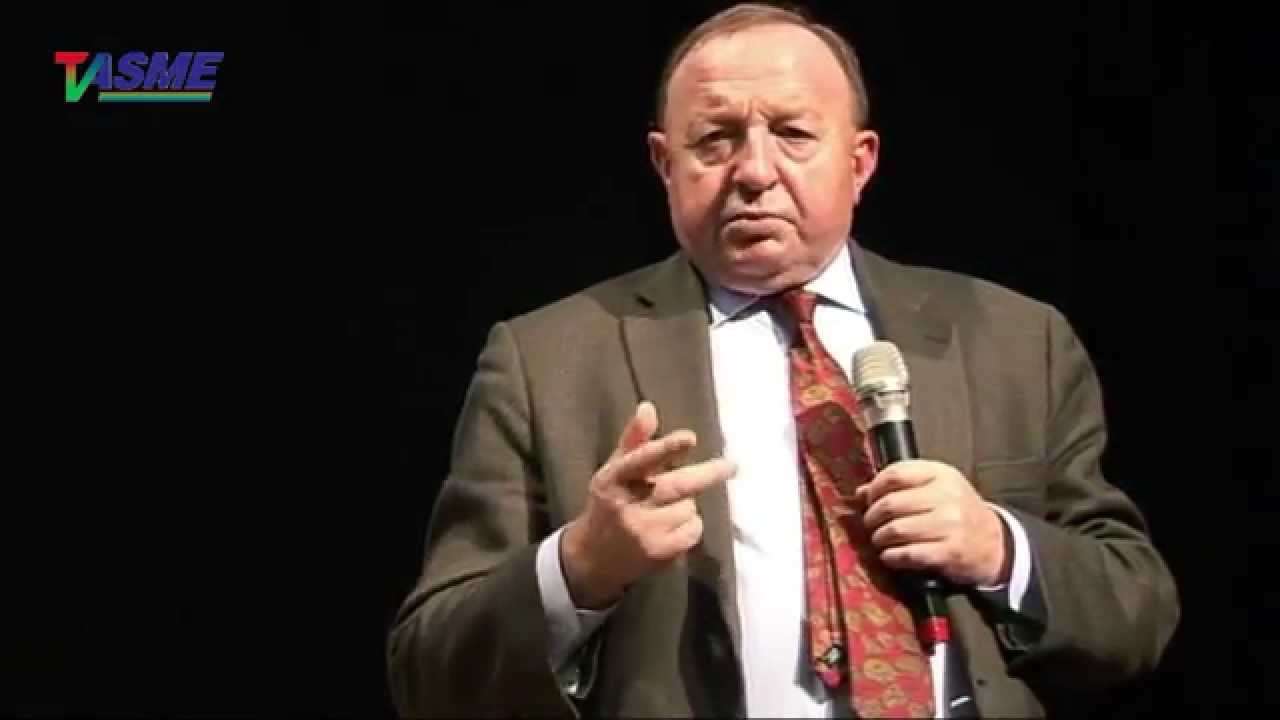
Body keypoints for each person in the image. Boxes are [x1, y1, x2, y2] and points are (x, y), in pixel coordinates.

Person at [385, 3, 1180, 717]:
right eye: (715, 139)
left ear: (860, 161)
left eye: (794, 134)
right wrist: (581, 566)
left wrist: (997, 548)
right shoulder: (546, 360)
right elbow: (427, 672)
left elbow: (1136, 613)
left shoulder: (1016, 341)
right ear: (665, 164)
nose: (755, 171)